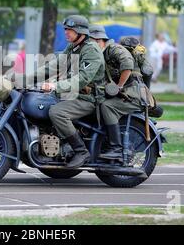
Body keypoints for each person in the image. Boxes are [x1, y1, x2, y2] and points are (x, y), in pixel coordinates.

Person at [27, 15, 105, 168]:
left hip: (88, 98)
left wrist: (56, 86)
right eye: (66, 29)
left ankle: (81, 151)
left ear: (81, 32)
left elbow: (82, 78)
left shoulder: (91, 50)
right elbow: (55, 66)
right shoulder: (73, 47)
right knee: (42, 103)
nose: (66, 32)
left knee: (57, 112)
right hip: (73, 94)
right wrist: (25, 78)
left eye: (70, 30)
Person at [89, 24, 144, 161]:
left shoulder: (115, 49)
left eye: (89, 42)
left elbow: (127, 66)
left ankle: (116, 148)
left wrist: (119, 86)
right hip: (123, 93)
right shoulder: (99, 54)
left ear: (98, 40)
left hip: (133, 93)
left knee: (107, 106)